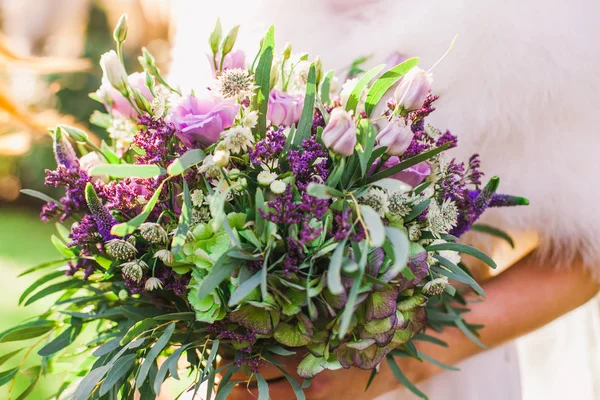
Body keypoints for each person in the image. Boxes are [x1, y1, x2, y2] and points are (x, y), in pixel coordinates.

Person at [169, 0, 600, 398]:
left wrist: (402, 367)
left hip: (431, 375)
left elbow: (588, 256)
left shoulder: (528, 24)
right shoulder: (231, 12)